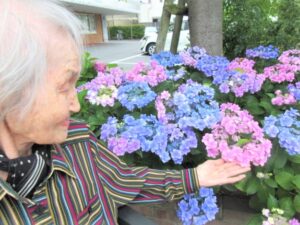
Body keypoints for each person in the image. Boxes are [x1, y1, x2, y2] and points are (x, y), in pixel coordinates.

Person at [0, 0, 250, 224]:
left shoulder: (77, 141)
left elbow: (124, 180)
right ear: (8, 91)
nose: (76, 105)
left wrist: (195, 177)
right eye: (65, 86)